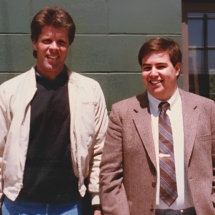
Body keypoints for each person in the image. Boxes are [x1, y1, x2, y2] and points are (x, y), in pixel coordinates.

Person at [0, 7, 108, 215]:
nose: (54, 48)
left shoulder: (89, 90)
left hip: (70, 206)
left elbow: (100, 150)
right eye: (47, 40)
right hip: (18, 206)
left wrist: (97, 201)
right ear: (35, 43)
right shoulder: (8, 92)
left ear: (68, 46)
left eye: (61, 42)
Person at [100, 37, 215, 215]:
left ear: (177, 68)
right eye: (147, 68)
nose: (153, 73)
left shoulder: (206, 109)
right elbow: (109, 175)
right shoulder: (122, 113)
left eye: (160, 66)